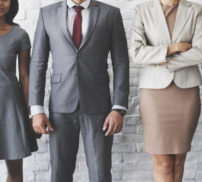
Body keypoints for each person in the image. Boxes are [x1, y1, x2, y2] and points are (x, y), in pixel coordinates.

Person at [29, 0, 130, 181]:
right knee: (60, 173)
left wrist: (118, 108)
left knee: (100, 173)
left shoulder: (111, 14)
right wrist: (36, 109)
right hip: (60, 105)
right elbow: (38, 63)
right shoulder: (47, 14)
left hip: (99, 106)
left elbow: (121, 63)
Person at [130, 0, 202, 181]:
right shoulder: (142, 10)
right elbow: (136, 52)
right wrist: (172, 48)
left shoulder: (195, 10)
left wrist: (162, 61)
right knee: (163, 163)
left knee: (179, 160)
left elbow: (201, 53)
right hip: (154, 95)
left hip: (186, 93)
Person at [0, 0, 38, 181]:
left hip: (10, 108)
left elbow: (25, 77)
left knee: (14, 171)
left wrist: (32, 113)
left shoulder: (19, 35)